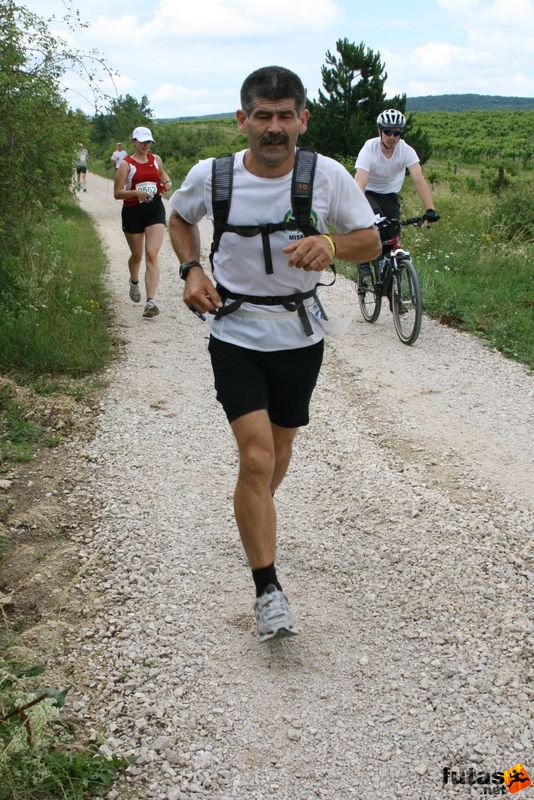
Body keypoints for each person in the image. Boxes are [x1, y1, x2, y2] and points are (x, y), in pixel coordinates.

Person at [168, 66, 380, 641]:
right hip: (234, 332)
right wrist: (191, 269)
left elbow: (371, 242)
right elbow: (180, 219)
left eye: (285, 115)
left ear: (302, 119)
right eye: (262, 115)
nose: (274, 127)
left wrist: (331, 243)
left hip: (300, 335)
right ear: (243, 120)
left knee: (279, 449)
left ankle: (252, 507)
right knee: (257, 456)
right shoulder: (212, 177)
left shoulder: (327, 176)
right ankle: (268, 589)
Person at [355, 109, 439, 247]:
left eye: (396, 133)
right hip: (367, 193)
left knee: (392, 237)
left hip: (390, 195)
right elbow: (361, 182)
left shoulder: (406, 150)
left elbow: (418, 179)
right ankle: (364, 262)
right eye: (387, 132)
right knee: (373, 226)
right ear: (379, 132)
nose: (392, 137)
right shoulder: (369, 148)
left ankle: (394, 266)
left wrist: (430, 209)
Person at [114, 126, 172, 319]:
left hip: (155, 209)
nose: (146, 145)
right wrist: (136, 193)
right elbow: (117, 193)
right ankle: (134, 280)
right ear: (134, 142)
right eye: (142, 142)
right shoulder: (126, 164)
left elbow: (163, 176)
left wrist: (167, 183)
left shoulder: (156, 160)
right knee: (137, 255)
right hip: (133, 212)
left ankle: (151, 301)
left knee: (151, 253)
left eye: (149, 142)